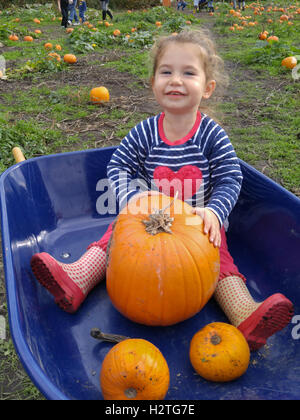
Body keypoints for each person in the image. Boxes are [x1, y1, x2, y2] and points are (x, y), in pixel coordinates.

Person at [30, 29, 294, 351]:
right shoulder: (145, 133)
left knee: (219, 261)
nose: (175, 80)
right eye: (166, 71)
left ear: (207, 88)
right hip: (148, 221)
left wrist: (213, 212)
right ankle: (76, 279)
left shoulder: (212, 135)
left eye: (188, 73)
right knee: (112, 238)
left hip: (197, 228)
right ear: (153, 83)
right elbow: (117, 167)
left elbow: (230, 178)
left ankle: (246, 315)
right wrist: (132, 197)